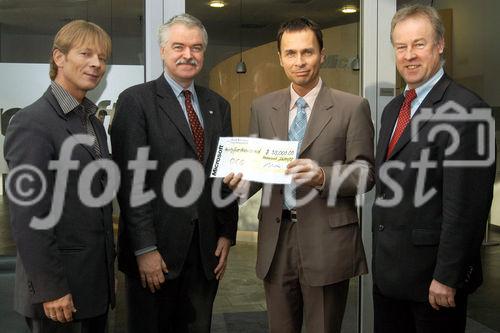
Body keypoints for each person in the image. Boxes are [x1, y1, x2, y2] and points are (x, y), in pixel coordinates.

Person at [224, 17, 374, 333]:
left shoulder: (352, 107)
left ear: (321, 53)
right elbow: (259, 170)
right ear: (279, 57)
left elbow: (365, 173)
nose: (300, 61)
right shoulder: (263, 107)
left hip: (328, 239)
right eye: (291, 53)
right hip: (276, 241)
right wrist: (239, 185)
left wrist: (322, 176)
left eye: (307, 52)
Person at [371, 4, 496, 333]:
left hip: (434, 285)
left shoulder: (467, 110)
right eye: (401, 46)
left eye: (419, 44)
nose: (409, 55)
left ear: (440, 45)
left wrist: (447, 276)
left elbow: (466, 208)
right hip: (389, 279)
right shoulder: (394, 109)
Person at [111, 13, 238, 333]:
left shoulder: (217, 105)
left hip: (205, 252)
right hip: (156, 254)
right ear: (163, 51)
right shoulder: (136, 101)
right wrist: (144, 249)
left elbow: (224, 174)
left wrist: (226, 232)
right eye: (179, 46)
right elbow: (130, 183)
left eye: (196, 48)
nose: (188, 54)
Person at [4, 20, 114, 333]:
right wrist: (51, 288)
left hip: (93, 289)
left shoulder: (93, 123)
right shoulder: (31, 122)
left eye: (103, 58)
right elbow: (29, 216)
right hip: (58, 295)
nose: (96, 64)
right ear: (59, 57)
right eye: (86, 54)